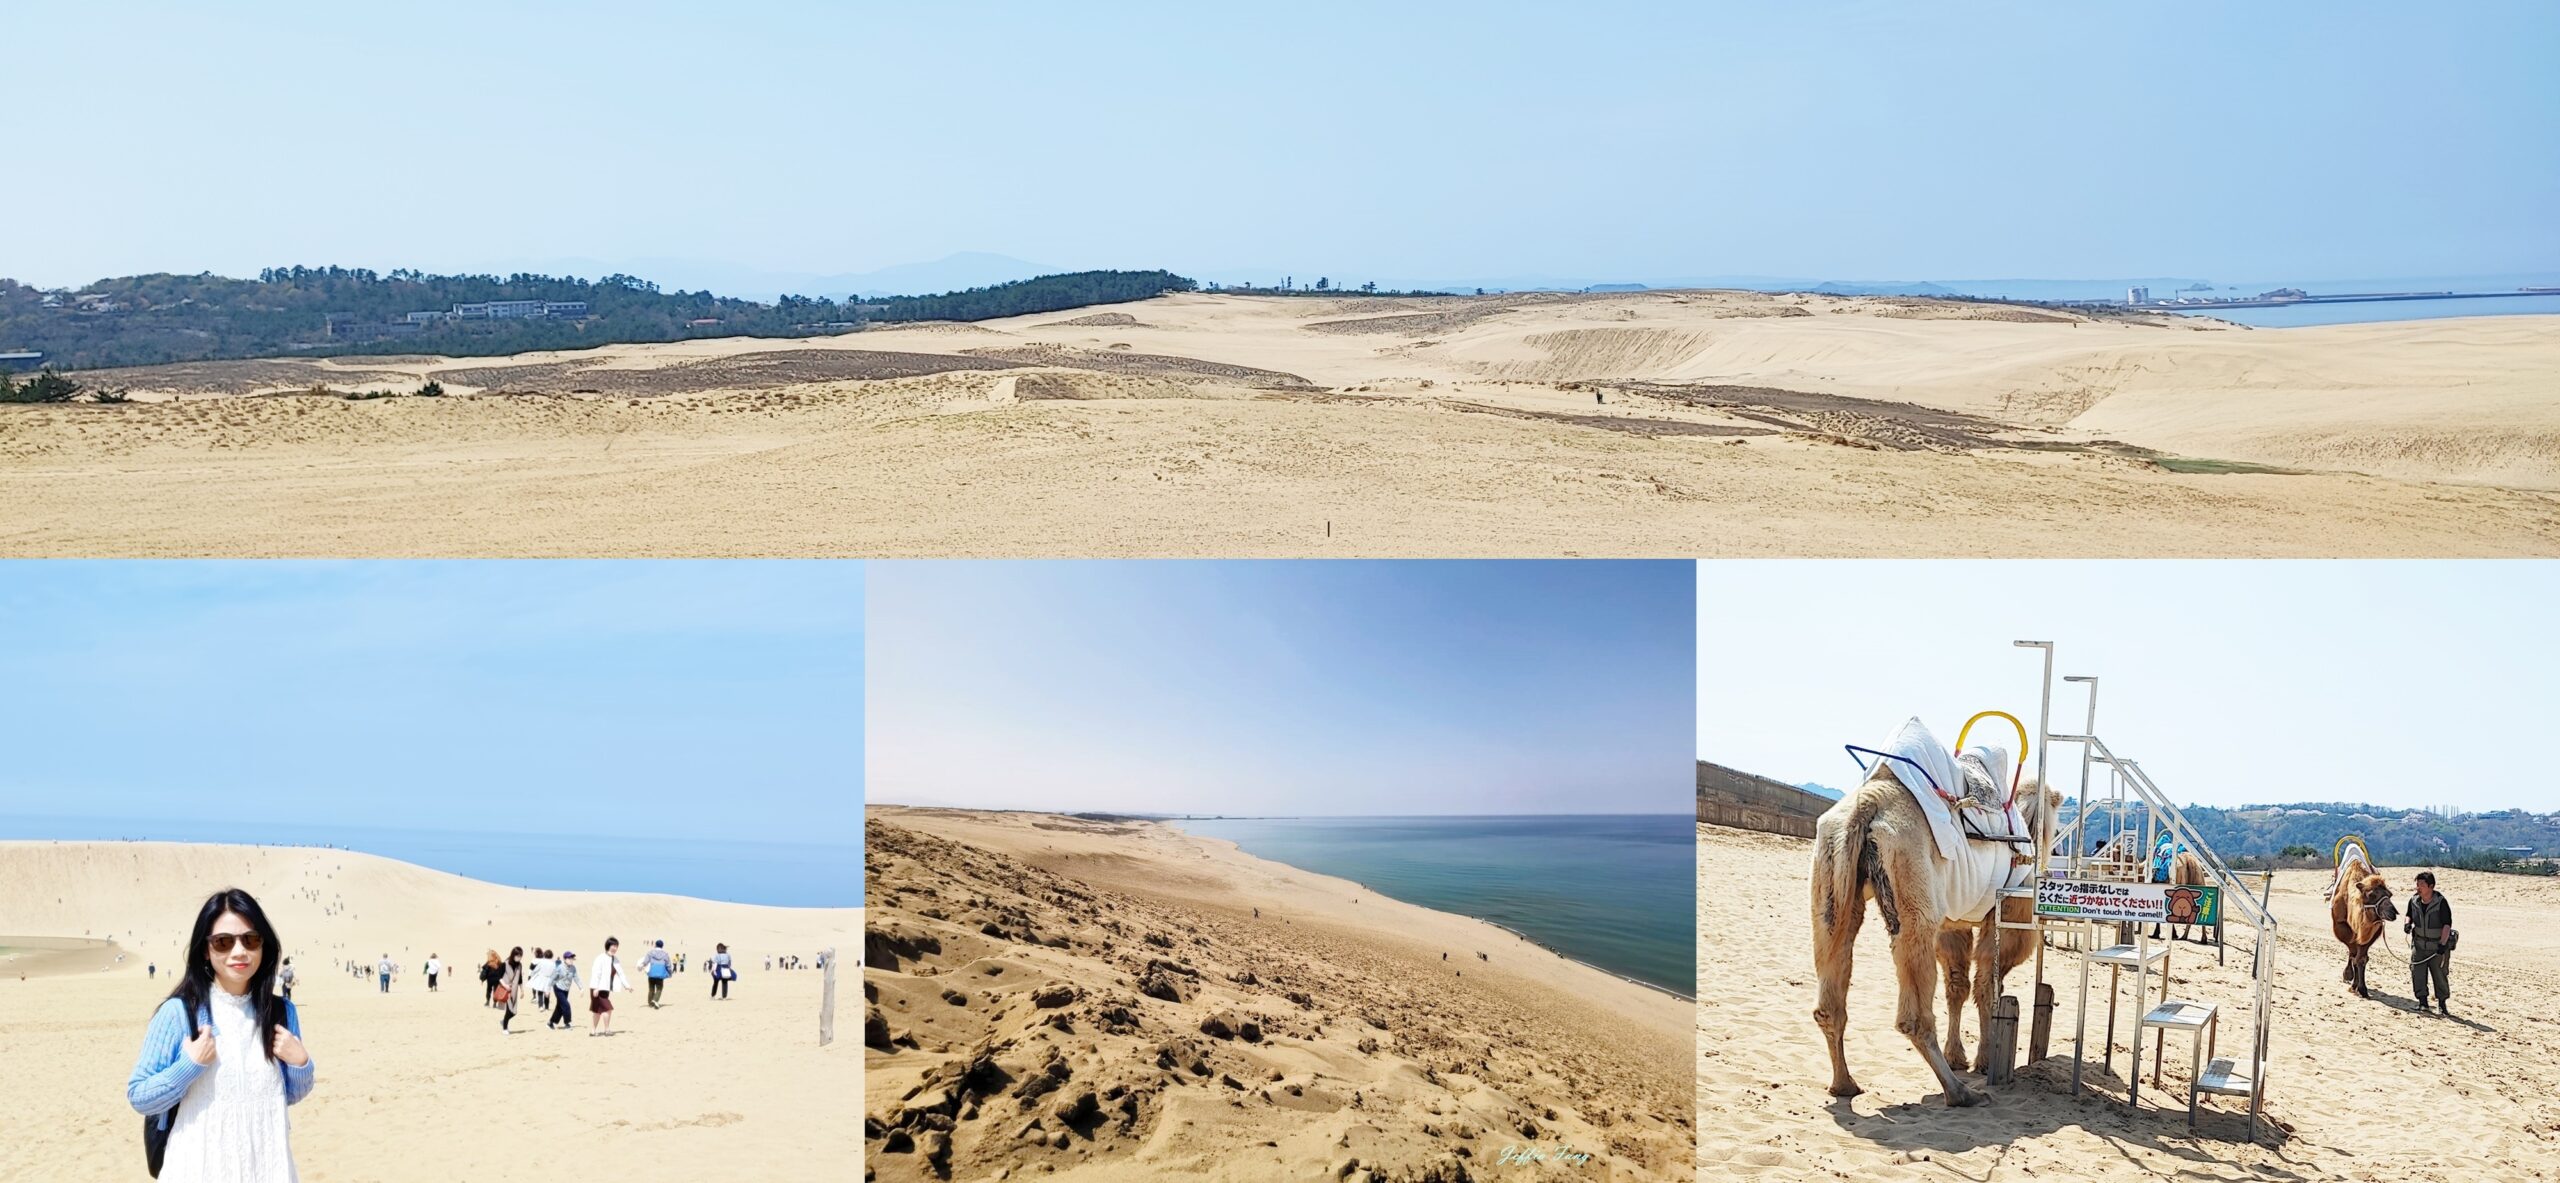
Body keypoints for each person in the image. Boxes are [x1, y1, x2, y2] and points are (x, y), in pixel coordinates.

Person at [126, 888, 315, 1182]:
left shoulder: (281, 1012)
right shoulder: (179, 1013)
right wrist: (188, 1066)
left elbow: (287, 1095)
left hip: (267, 1168)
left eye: (250, 939)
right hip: (199, 1168)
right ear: (206, 949)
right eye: (224, 942)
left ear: (264, 945)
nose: (239, 952)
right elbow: (140, 1097)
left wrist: (301, 1063)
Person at [2406, 871, 2457, 1015]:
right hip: (2419, 945)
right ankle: (2423, 1003)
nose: (2418, 888)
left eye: (2422, 885)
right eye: (2417, 884)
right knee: (2417, 973)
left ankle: (2442, 1004)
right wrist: (2407, 924)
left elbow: (2447, 924)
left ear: (2431, 886)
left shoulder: (2441, 902)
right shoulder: (2414, 901)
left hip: (2437, 947)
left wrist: (2442, 944)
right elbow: (2408, 914)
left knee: (2439, 975)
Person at [588, 937, 628, 1034]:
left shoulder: (615, 959)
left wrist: (627, 985)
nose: (615, 948)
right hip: (597, 988)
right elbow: (596, 973)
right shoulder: (600, 958)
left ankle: (593, 1031)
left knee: (597, 1011)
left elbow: (621, 973)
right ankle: (607, 1030)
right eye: (613, 945)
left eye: (616, 946)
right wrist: (596, 987)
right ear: (608, 946)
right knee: (608, 1009)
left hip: (606, 989)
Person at [549, 952, 579, 1030]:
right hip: (558, 988)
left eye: (572, 958)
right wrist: (547, 989)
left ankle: (550, 1023)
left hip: (566, 989)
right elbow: (552, 978)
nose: (571, 960)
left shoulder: (573, 968)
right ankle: (567, 1023)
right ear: (565, 959)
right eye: (569, 958)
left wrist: (581, 988)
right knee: (566, 1005)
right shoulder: (560, 967)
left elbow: (576, 978)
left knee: (560, 1007)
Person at [498, 947, 524, 1034]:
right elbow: (498, 976)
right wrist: (505, 985)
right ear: (513, 955)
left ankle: (503, 1021)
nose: (519, 958)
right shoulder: (505, 964)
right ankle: (505, 1028)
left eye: (520, 956)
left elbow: (520, 978)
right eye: (517, 955)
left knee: (514, 1012)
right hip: (506, 990)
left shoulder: (519, 965)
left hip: (514, 991)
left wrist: (522, 990)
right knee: (509, 1010)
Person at [644, 940, 672, 1008]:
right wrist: (670, 972)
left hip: (652, 973)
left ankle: (650, 1003)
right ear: (662, 946)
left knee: (651, 989)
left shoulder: (650, 952)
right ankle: (655, 1000)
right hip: (660, 974)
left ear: (655, 945)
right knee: (659, 988)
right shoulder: (665, 954)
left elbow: (645, 962)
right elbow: (668, 965)